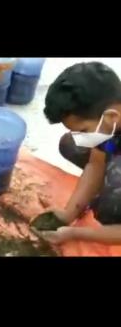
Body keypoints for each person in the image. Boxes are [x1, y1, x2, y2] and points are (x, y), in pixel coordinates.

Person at [37, 61, 121, 245]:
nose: (81, 136)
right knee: (70, 143)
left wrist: (75, 234)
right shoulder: (110, 119)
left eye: (83, 130)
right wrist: (68, 215)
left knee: (113, 199)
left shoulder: (108, 119)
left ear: (111, 117)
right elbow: (95, 164)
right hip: (114, 143)